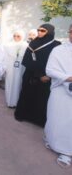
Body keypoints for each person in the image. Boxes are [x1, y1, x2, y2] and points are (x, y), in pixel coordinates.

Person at [14, 24, 61, 127]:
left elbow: (57, 62)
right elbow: (27, 60)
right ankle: (23, 115)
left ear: (49, 32)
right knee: (27, 94)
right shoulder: (33, 43)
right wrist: (38, 74)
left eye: (43, 30)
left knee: (41, 98)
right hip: (31, 75)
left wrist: (47, 75)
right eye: (38, 30)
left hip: (47, 76)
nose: (39, 32)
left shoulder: (56, 45)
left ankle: (39, 120)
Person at [44, 24, 72, 168]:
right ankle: (53, 141)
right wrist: (68, 78)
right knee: (56, 118)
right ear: (69, 33)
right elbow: (49, 70)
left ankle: (66, 152)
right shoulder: (58, 50)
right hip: (60, 90)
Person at [3, 30, 28, 107]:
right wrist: (4, 67)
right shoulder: (8, 45)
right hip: (10, 66)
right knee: (10, 83)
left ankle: (17, 102)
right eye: (14, 36)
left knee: (18, 83)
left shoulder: (25, 45)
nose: (16, 37)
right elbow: (4, 57)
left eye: (18, 36)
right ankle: (9, 102)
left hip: (21, 68)